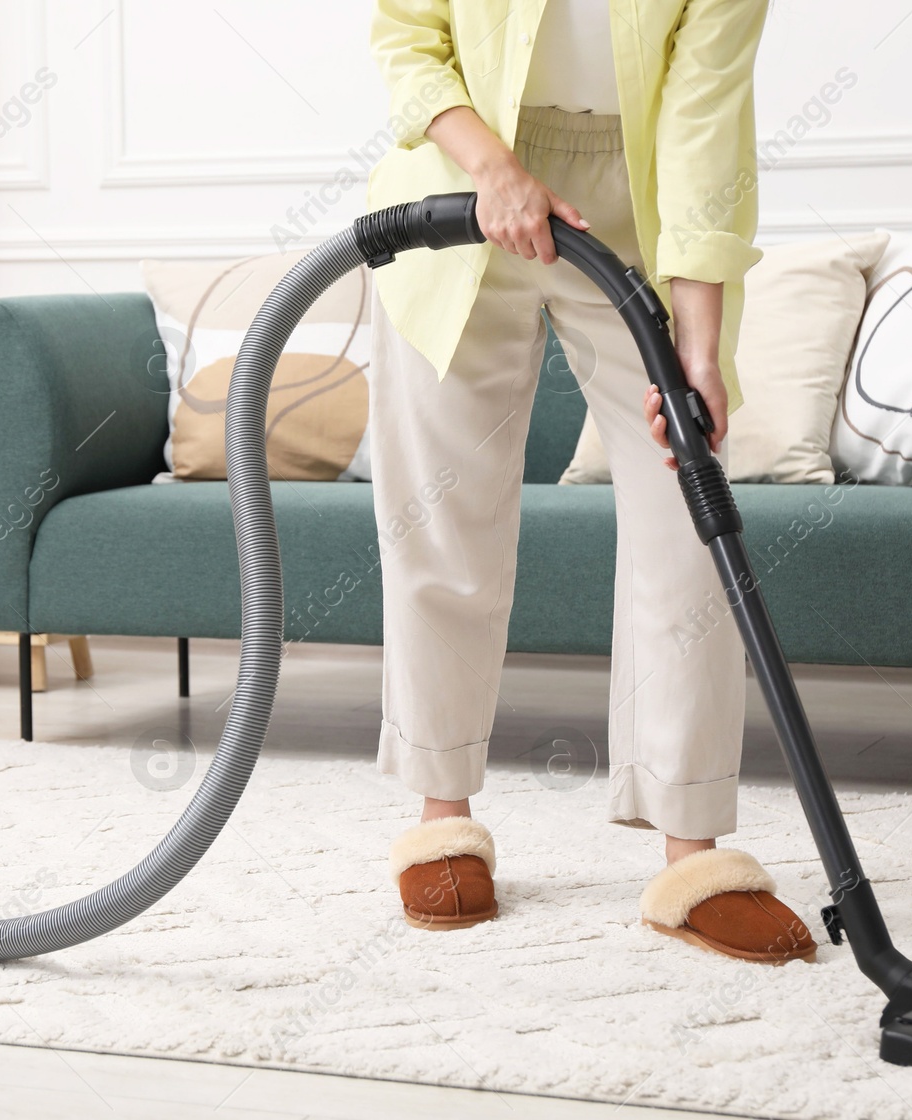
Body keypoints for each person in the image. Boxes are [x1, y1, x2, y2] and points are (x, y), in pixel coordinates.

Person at [370, 0, 816, 963]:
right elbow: (408, 38)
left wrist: (697, 348)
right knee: (443, 512)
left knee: (685, 517)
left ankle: (689, 856)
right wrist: (494, 170)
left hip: (639, 192)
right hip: (464, 180)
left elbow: (706, 119)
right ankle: (442, 818)